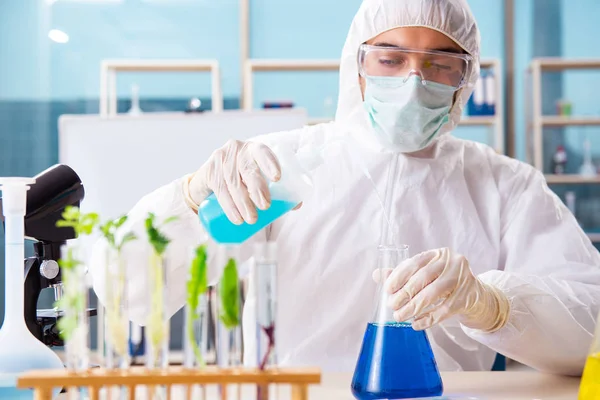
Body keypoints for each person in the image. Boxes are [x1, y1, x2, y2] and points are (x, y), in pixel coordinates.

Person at [90, 0, 600, 374]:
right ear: (356, 66)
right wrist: (189, 197)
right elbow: (127, 292)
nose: (414, 81)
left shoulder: (502, 184)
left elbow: (592, 327)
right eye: (390, 59)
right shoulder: (280, 167)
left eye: (441, 64)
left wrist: (492, 303)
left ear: (465, 79)